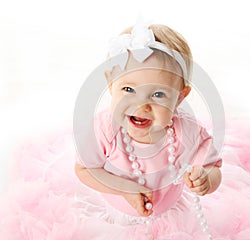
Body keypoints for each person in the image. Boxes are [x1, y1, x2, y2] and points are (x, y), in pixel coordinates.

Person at [74, 20, 222, 239]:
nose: (141, 105)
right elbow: (85, 170)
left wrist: (206, 179)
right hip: (117, 214)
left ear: (180, 98)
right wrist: (124, 189)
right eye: (128, 89)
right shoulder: (104, 128)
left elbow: (213, 167)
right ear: (110, 84)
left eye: (158, 95)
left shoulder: (188, 132)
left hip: (169, 214)